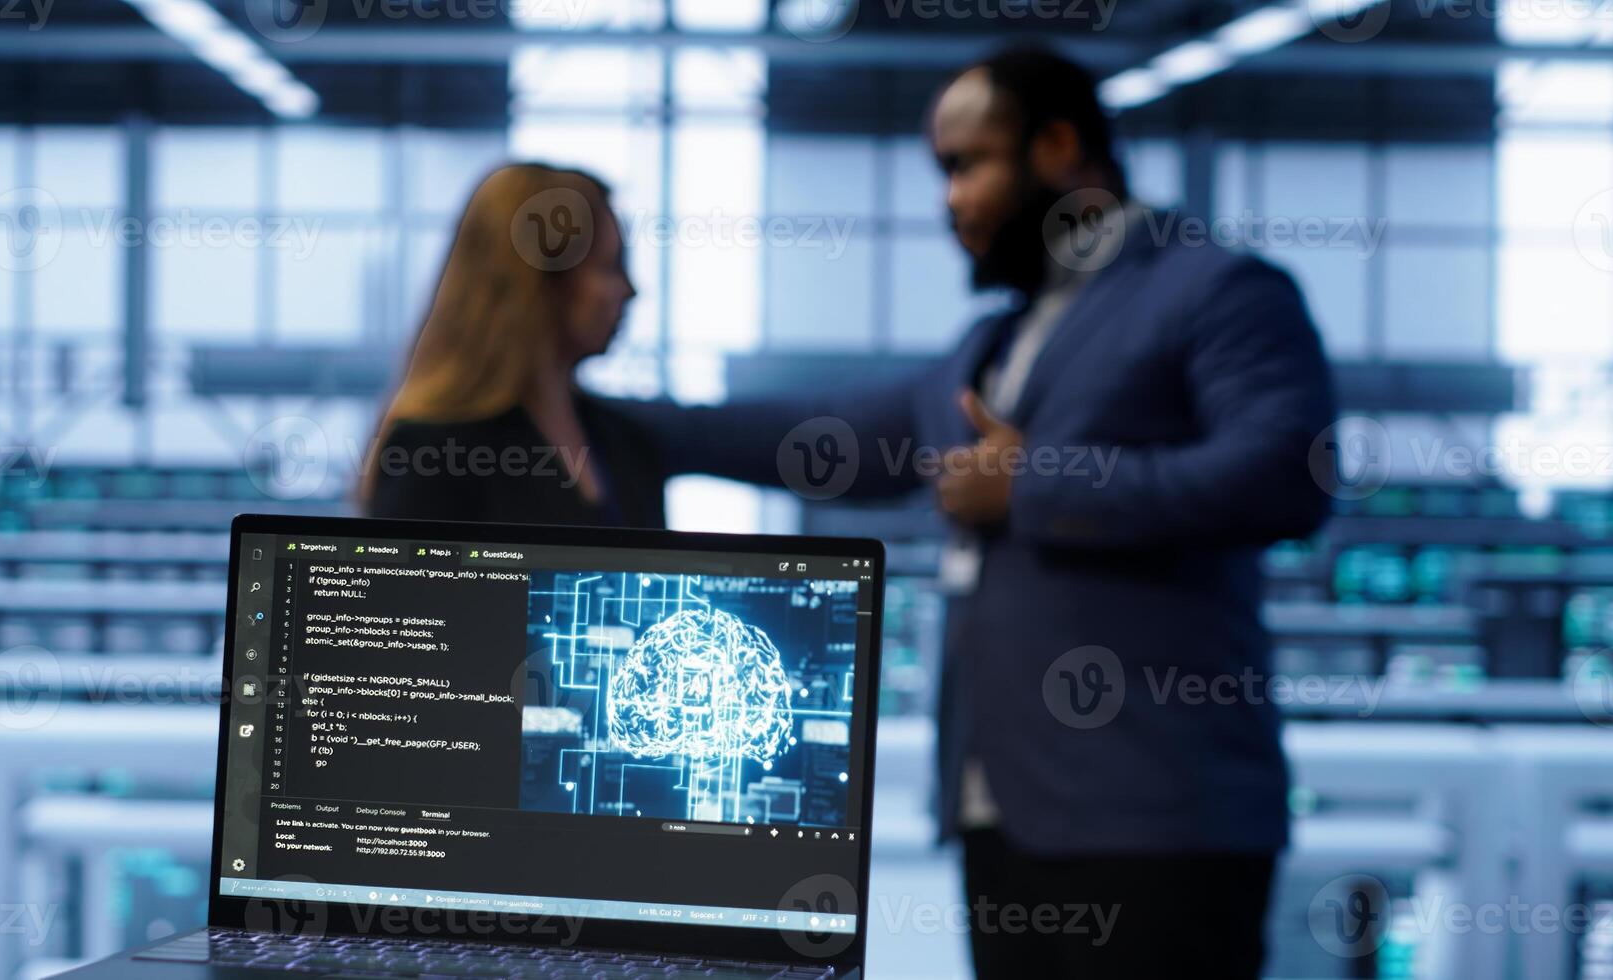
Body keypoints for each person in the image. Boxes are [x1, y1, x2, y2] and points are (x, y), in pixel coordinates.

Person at [623, 47, 1336, 978]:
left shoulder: (1213, 291)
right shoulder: (996, 342)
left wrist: (1033, 484)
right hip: (1002, 810)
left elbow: (1285, 475)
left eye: (968, 165)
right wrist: (613, 420)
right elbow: (826, 437)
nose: (949, 200)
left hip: (1156, 824)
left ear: (1056, 146)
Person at [362, 163, 663, 528]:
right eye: (609, 267)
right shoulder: (432, 453)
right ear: (538, 285)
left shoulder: (624, 441)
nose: (630, 291)